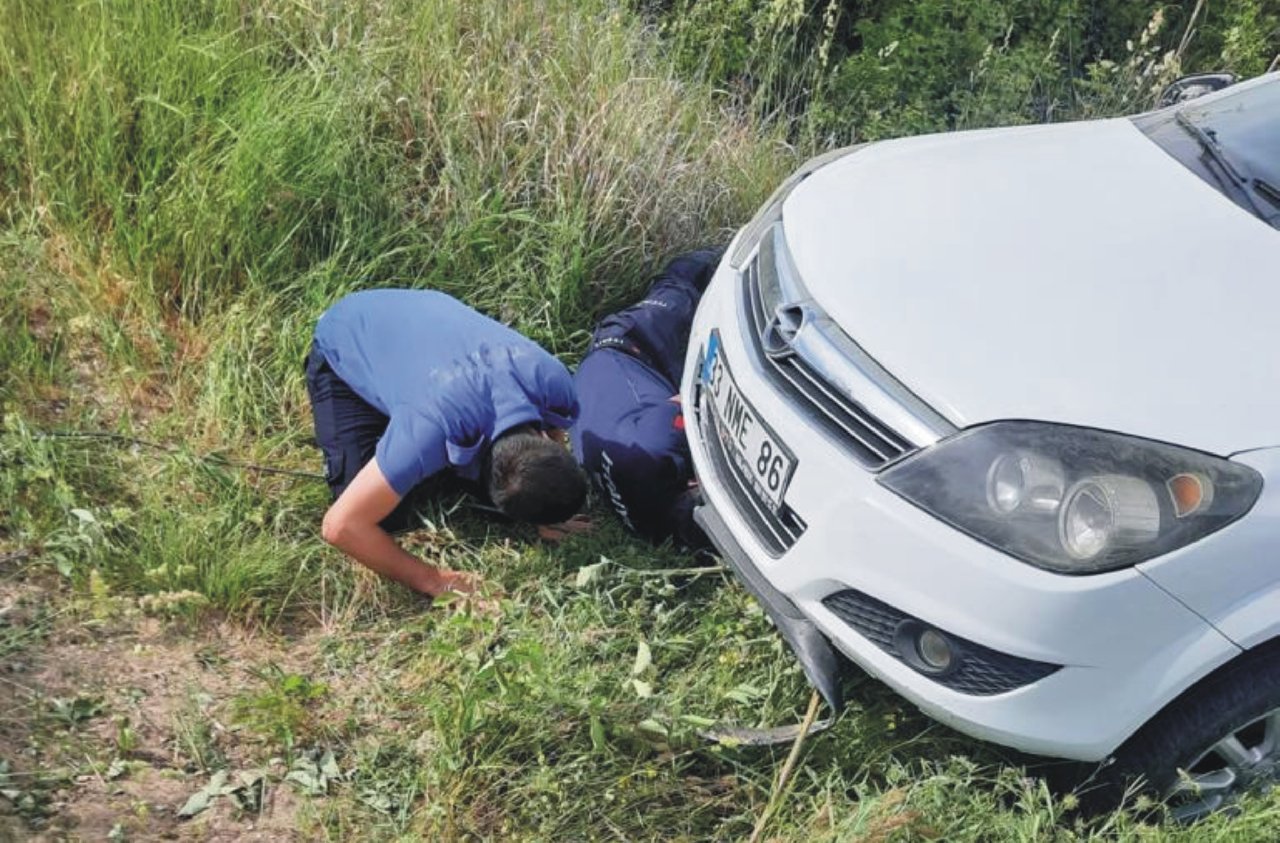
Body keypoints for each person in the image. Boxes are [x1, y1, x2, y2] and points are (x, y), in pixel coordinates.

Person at [305, 288, 588, 598]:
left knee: (427, 473)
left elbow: (555, 432)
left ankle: (406, 426)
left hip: (422, 320)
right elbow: (341, 526)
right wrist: (433, 579)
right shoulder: (429, 430)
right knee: (384, 515)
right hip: (348, 334)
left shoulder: (555, 382)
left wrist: (548, 511)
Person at [571, 249, 722, 550]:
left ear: (691, 486)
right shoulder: (653, 529)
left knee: (681, 293)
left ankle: (721, 249)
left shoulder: (654, 447)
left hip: (624, 347)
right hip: (605, 401)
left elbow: (704, 395)